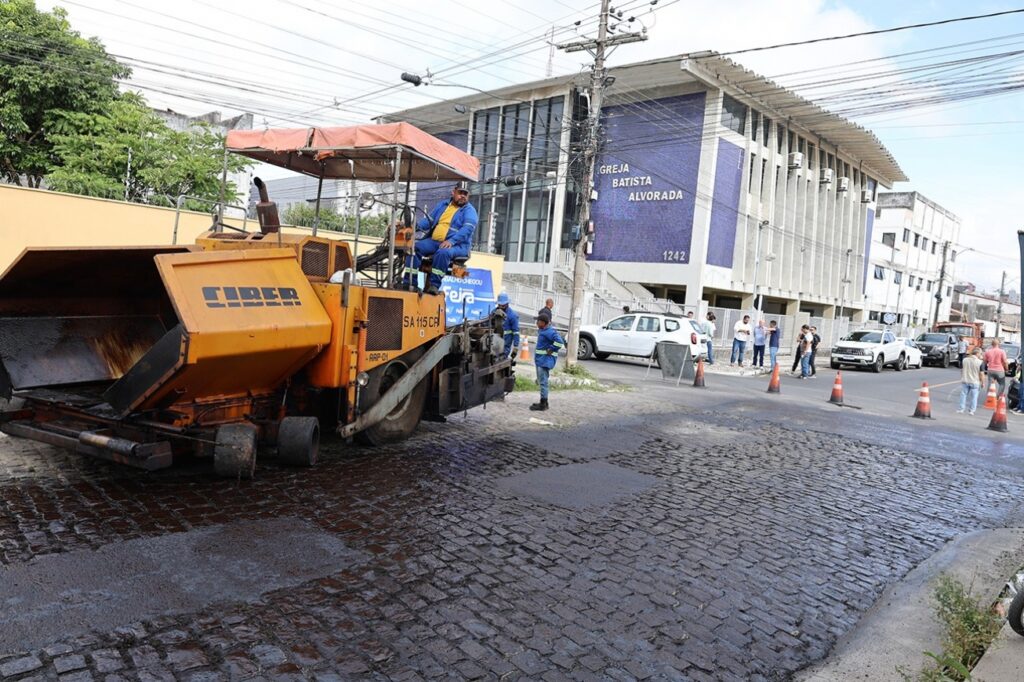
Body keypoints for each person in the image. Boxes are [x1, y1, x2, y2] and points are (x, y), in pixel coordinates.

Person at [406, 182, 478, 294]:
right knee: (414, 247)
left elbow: (467, 229)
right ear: (453, 192)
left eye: (465, 194)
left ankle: (434, 285)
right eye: (460, 193)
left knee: (443, 253)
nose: (463, 196)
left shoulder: (470, 210)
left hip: (458, 245)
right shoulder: (443, 205)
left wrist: (452, 241)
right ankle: (410, 282)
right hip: (435, 242)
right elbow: (428, 221)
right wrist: (413, 228)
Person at [530, 313, 565, 411]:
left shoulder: (549, 332)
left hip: (544, 361)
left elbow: (559, 342)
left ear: (543, 323)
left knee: (543, 383)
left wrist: (551, 349)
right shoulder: (543, 331)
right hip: (541, 360)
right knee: (542, 382)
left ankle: (543, 404)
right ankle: (544, 402)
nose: (536, 323)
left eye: (538, 321)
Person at [957, 347, 985, 415]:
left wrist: (963, 377)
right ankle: (971, 410)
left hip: (965, 380)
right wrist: (982, 382)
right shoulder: (980, 362)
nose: (981, 355)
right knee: (974, 397)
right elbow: (981, 374)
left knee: (963, 395)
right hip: (975, 382)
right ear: (977, 353)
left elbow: (962, 370)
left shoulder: (965, 360)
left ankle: (961, 409)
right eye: (980, 353)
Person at [496, 292, 519, 358]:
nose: (501, 307)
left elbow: (516, 332)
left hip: (505, 344)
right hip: (494, 343)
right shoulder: (494, 312)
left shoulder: (513, 316)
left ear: (507, 304)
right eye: (499, 305)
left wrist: (516, 346)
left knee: (502, 359)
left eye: (503, 305)